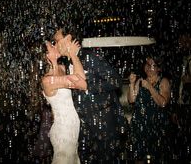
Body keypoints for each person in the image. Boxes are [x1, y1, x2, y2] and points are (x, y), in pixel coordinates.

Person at [52, 28, 128, 164]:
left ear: (68, 38)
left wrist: (88, 87)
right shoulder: (68, 63)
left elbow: (116, 81)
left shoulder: (88, 56)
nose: (55, 44)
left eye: (57, 41)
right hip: (85, 127)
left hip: (105, 125)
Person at [41, 40, 87, 164]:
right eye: (51, 46)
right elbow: (82, 83)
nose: (55, 45)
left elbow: (80, 77)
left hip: (73, 128)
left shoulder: (62, 68)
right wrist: (72, 54)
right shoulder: (47, 80)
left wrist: (70, 55)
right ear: (46, 56)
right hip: (63, 131)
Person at [127, 56, 171, 163]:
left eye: (152, 65)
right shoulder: (140, 81)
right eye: (147, 64)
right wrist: (132, 83)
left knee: (155, 157)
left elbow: (163, 103)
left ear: (159, 69)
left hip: (155, 125)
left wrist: (150, 87)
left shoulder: (163, 81)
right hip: (139, 125)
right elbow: (131, 100)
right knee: (138, 157)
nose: (148, 67)